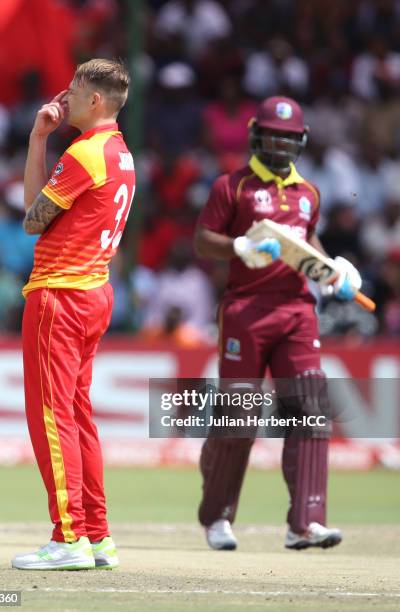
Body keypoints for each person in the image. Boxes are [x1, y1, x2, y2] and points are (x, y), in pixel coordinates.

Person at [194, 96, 362, 551]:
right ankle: (218, 518)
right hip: (246, 311)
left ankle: (306, 523)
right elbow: (203, 240)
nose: (280, 144)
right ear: (255, 135)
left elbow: (306, 240)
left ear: (301, 141)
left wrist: (334, 272)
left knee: (310, 410)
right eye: (273, 135)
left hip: (296, 311)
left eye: (289, 138)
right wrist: (238, 248)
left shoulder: (309, 193)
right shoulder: (233, 185)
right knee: (240, 416)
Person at [12, 58, 134, 570]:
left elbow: (33, 220)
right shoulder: (122, 153)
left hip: (59, 296)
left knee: (52, 417)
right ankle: (96, 534)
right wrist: (42, 138)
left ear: (95, 101)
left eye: (74, 90)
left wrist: (39, 142)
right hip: (94, 293)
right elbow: (41, 213)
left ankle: (69, 539)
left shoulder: (84, 154)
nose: (65, 96)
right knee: (78, 415)